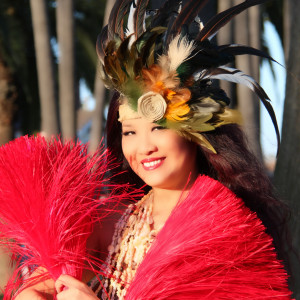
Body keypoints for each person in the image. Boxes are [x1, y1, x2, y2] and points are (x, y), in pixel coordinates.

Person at [15, 0, 293, 299]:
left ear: (193, 131)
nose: (144, 147)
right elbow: (39, 285)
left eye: (159, 127)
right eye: (130, 132)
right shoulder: (107, 217)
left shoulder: (224, 234)